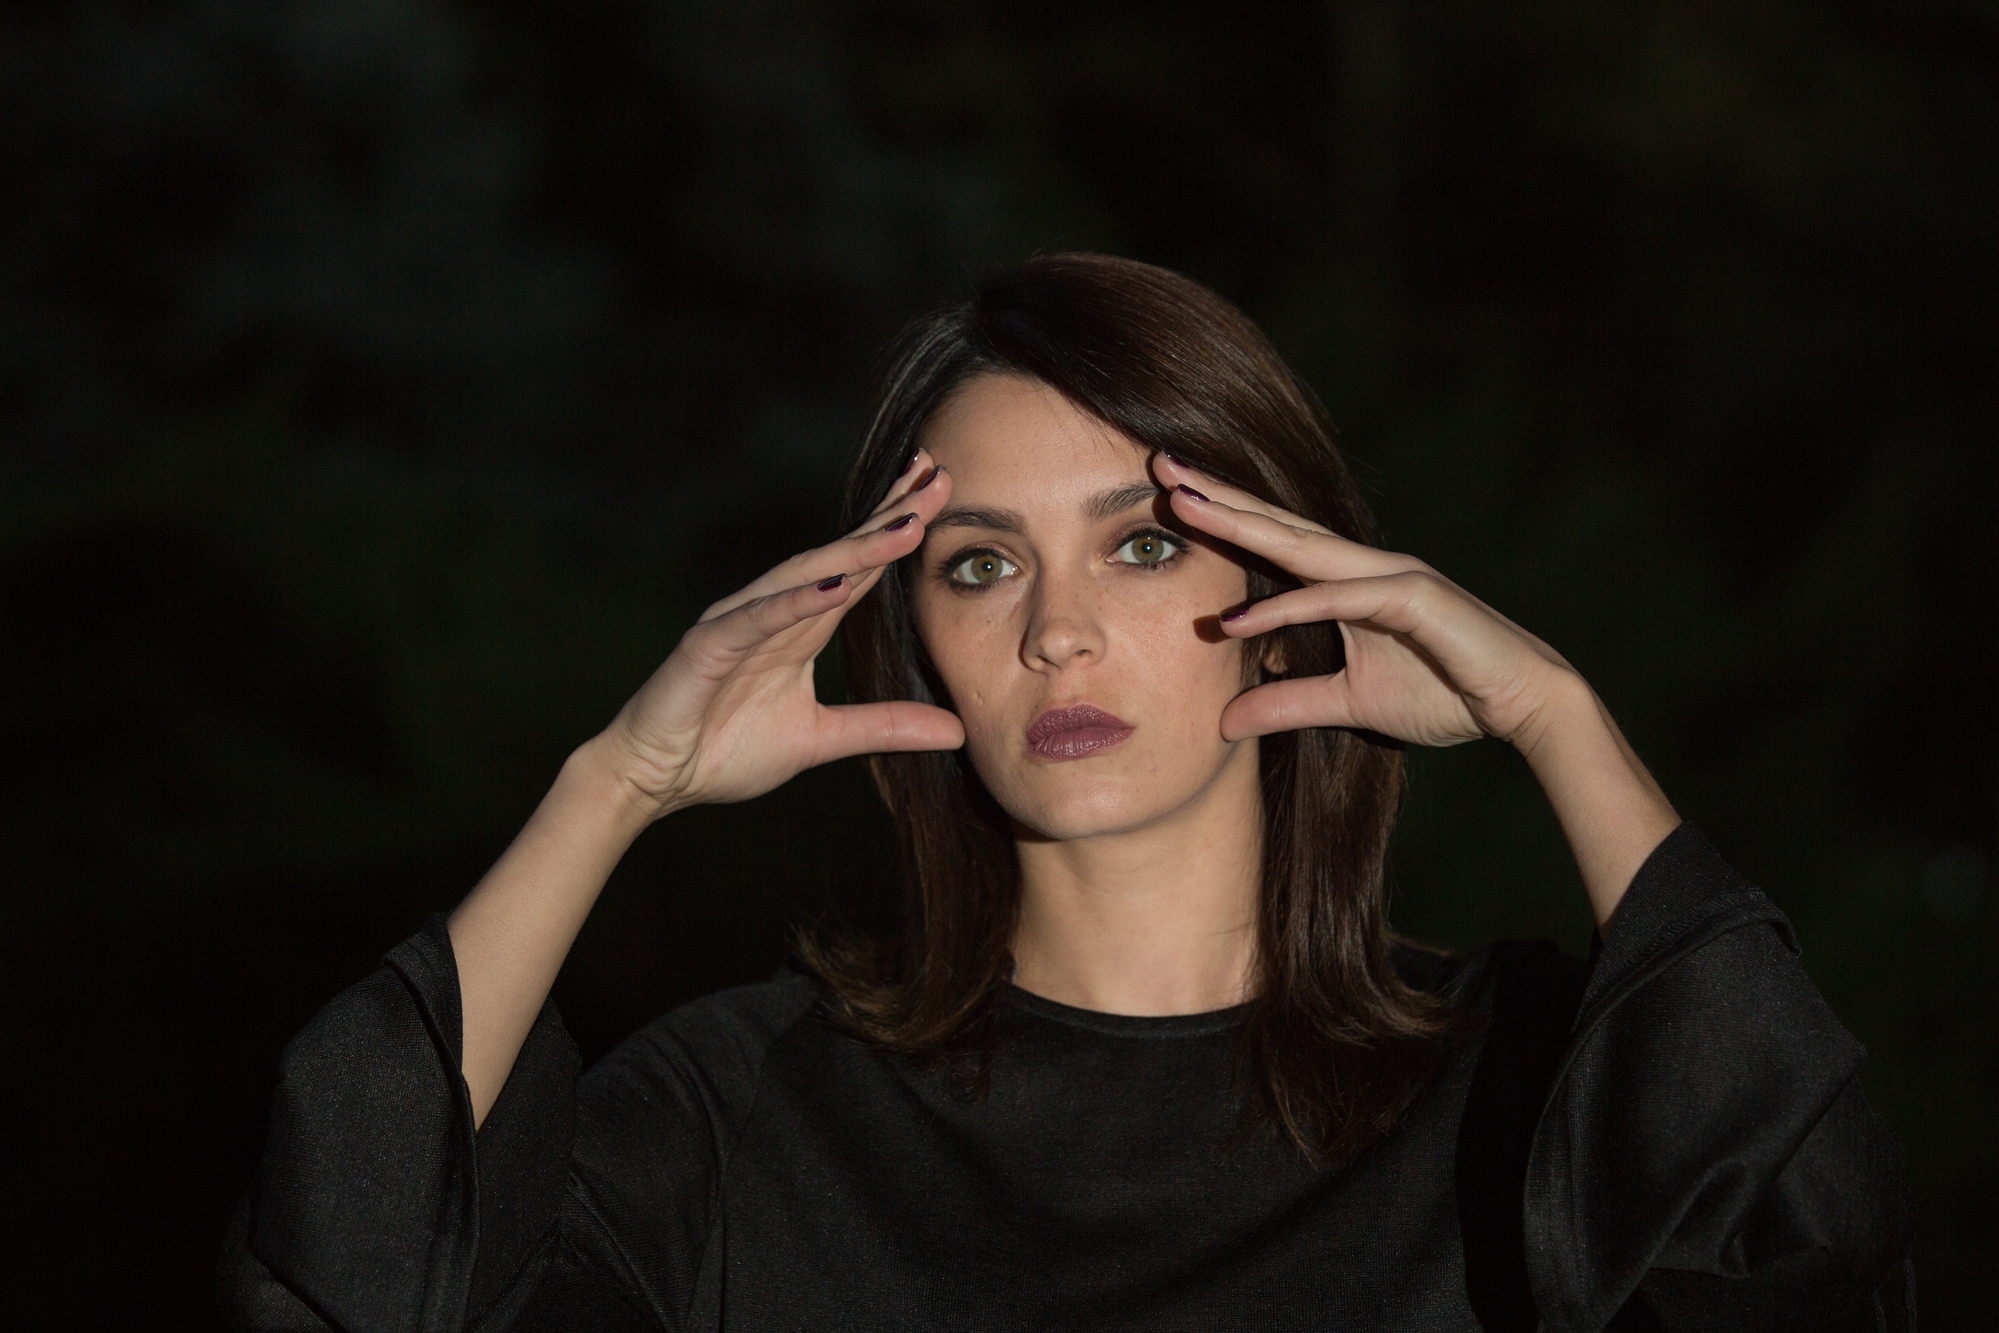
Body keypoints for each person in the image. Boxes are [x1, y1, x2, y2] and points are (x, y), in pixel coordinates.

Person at [218, 254, 1912, 1332]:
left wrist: (1557, 713)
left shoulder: (1523, 1089)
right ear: (909, 632)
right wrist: (613, 781)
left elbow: (1818, 1262)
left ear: (1294, 586)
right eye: (976, 565)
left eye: (1147, 541)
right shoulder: (745, 1120)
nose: (1059, 631)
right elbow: (344, 1278)